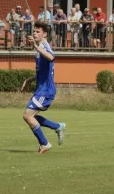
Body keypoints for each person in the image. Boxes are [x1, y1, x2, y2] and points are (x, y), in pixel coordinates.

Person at [20, 21, 66, 154]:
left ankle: (45, 143)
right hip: (41, 89)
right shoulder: (39, 49)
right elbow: (42, 72)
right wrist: (29, 80)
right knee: (30, 116)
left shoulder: (44, 46)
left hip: (46, 91)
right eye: (34, 31)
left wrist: (36, 46)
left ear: (45, 34)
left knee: (27, 116)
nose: (34, 33)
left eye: (38, 31)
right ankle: (58, 126)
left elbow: (51, 57)